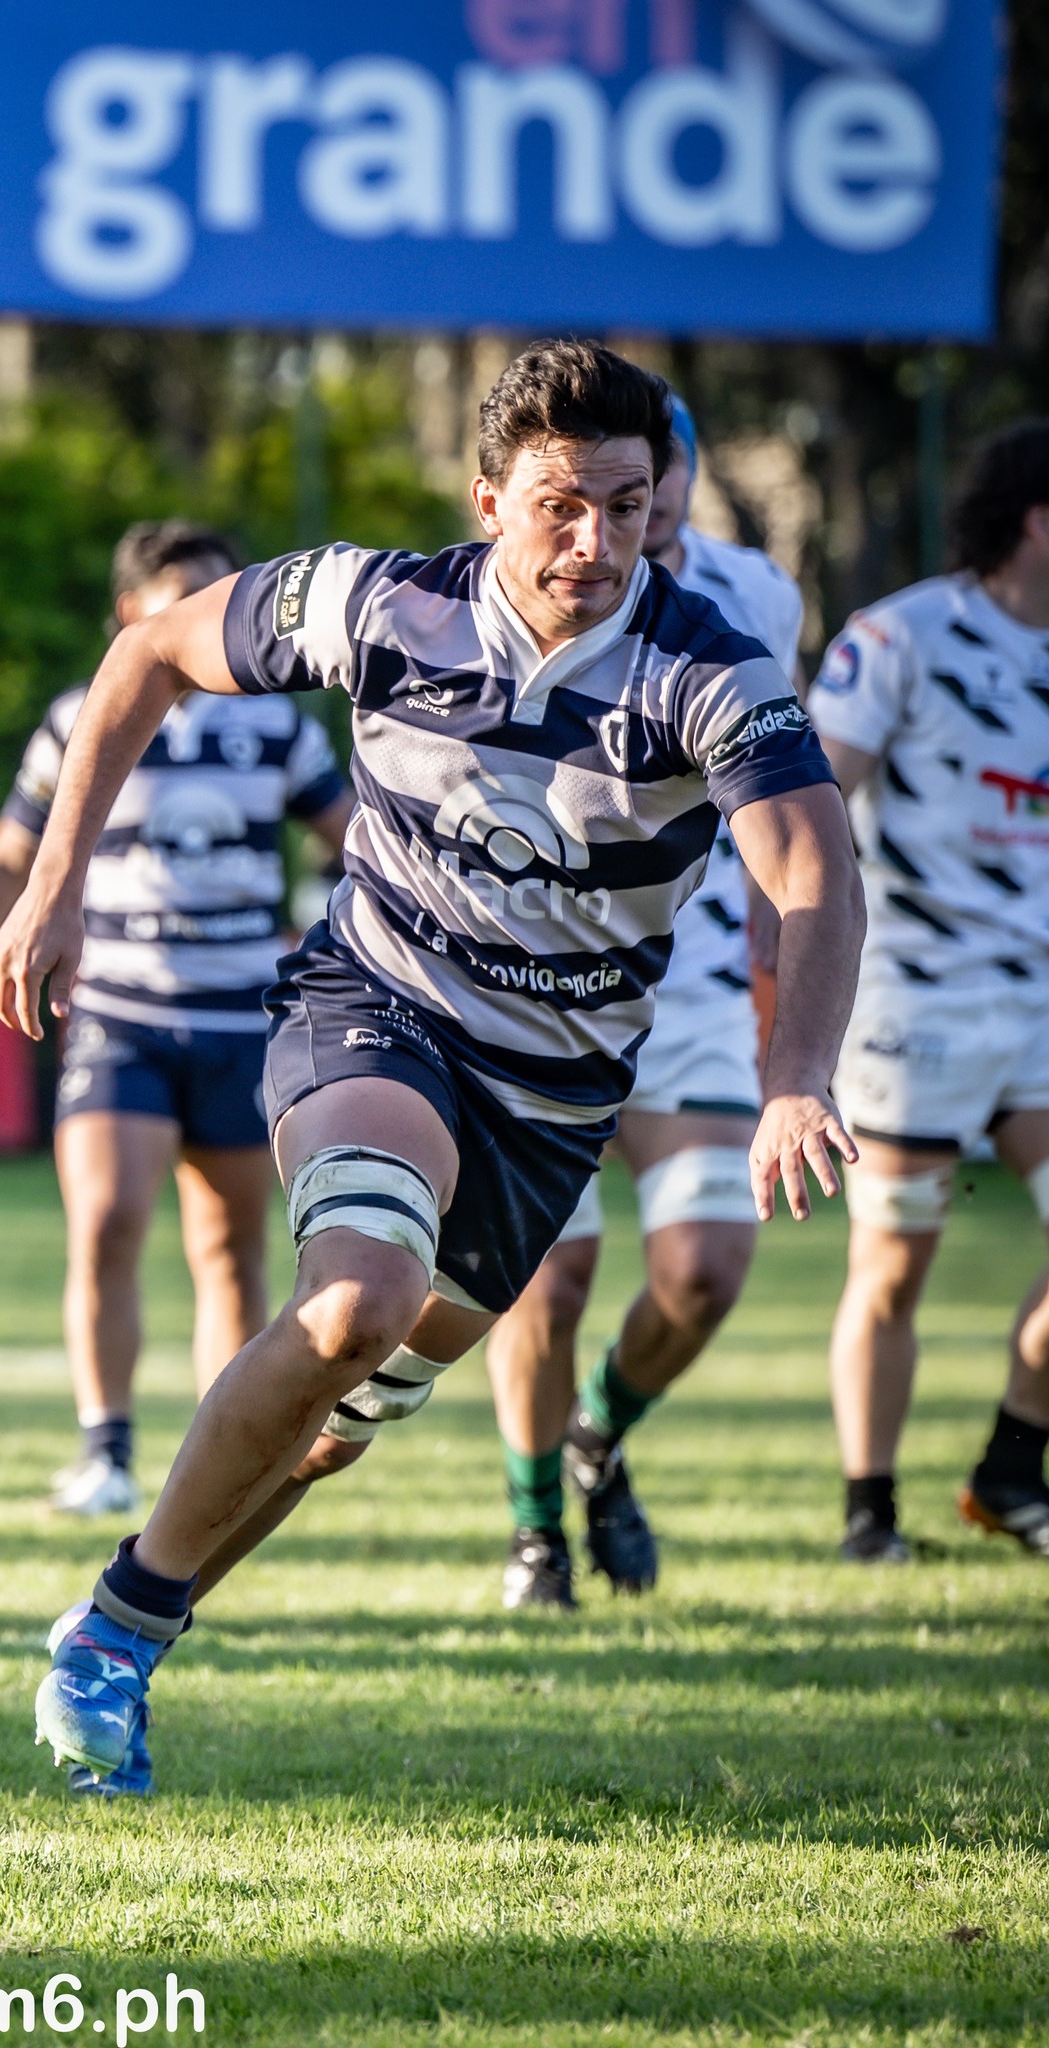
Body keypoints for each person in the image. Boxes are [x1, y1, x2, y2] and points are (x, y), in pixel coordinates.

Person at [0, 340, 863, 1799]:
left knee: (336, 1430)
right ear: (487, 500)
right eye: (559, 507)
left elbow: (816, 870)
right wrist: (55, 880)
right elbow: (146, 653)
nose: (594, 544)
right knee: (354, 1298)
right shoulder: (376, 600)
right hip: (375, 1009)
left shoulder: (706, 670)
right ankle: (118, 1644)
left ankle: (126, 1612)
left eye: (629, 507)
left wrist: (799, 1071)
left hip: (555, 1096)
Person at [0, 521, 352, 1517]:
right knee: (106, 1222)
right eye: (184, 595)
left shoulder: (277, 725)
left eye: (223, 594)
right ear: (131, 613)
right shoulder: (81, 718)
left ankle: (219, 1459)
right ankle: (104, 1451)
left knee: (226, 1250)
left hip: (239, 1021)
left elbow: (356, 843)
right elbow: (8, 854)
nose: (209, 615)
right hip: (118, 1014)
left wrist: (332, 938)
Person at [482, 397, 809, 1607]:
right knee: (547, 1278)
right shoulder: (504, 584)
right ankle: (532, 1531)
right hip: (533, 984)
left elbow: (788, 793)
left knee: (703, 1269)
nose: (635, 504)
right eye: (599, 491)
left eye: (651, 479)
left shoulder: (753, 598)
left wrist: (786, 973)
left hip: (695, 979)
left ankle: (596, 1434)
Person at [811, 421, 1049, 1564]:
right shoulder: (901, 635)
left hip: (1040, 1001)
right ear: (1036, 521)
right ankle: (869, 1511)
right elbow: (806, 812)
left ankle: (1009, 1467)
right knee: (892, 1263)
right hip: (917, 997)